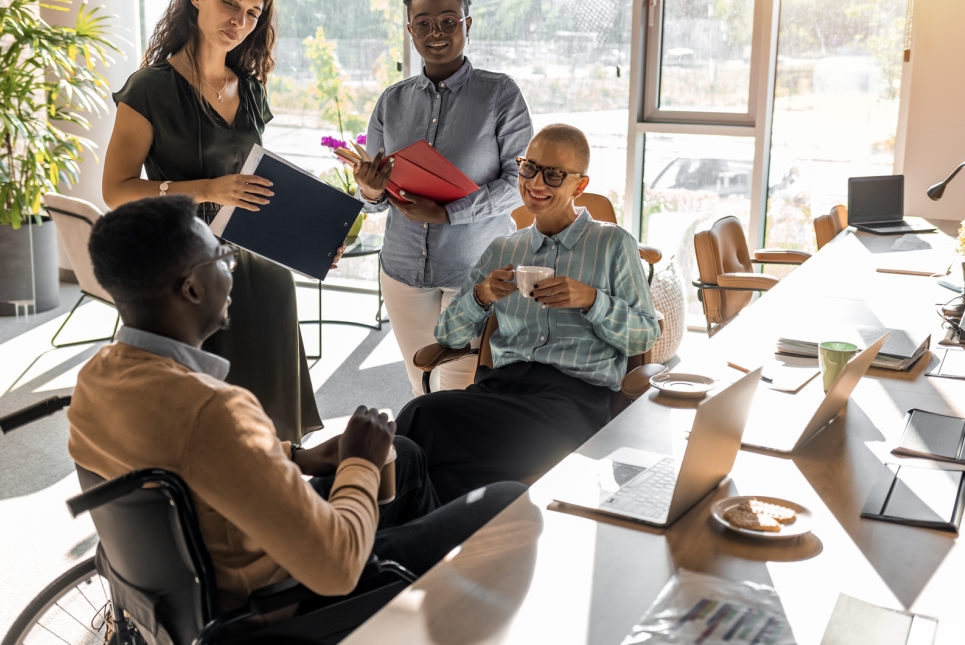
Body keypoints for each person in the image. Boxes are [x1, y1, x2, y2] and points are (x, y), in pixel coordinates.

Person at [68, 195, 525, 610]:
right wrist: (359, 465)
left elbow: (186, 455)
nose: (232, 269)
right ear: (190, 289)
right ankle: (408, 594)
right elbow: (336, 568)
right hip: (279, 600)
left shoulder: (97, 376)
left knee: (402, 453)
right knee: (508, 498)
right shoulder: (213, 409)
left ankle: (418, 591)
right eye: (223, 258)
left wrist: (297, 456)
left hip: (201, 564)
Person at [102, 0, 334, 442]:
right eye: (231, 4)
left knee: (269, 431)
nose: (240, 22)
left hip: (260, 275)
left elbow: (257, 188)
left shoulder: (248, 89)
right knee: (194, 425)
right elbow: (117, 190)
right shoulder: (149, 88)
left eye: (252, 13)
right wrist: (207, 189)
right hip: (185, 277)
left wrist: (311, 237)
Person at [395, 125, 660, 503]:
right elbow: (448, 335)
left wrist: (592, 300)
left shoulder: (613, 244)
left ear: (579, 186)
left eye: (553, 174)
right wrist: (481, 295)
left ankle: (405, 534)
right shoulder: (503, 249)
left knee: (445, 459)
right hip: (497, 390)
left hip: (570, 403)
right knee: (421, 415)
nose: (536, 182)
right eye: (529, 168)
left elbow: (645, 335)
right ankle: (396, 533)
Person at [351, 0, 533, 396]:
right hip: (402, 270)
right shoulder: (391, 101)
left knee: (459, 391)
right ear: (410, 29)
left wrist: (448, 213)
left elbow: (521, 183)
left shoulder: (501, 95)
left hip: (476, 270)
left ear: (468, 24)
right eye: (424, 22)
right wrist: (369, 188)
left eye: (449, 21)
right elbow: (375, 200)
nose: (437, 31)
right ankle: (427, 459)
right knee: (422, 386)